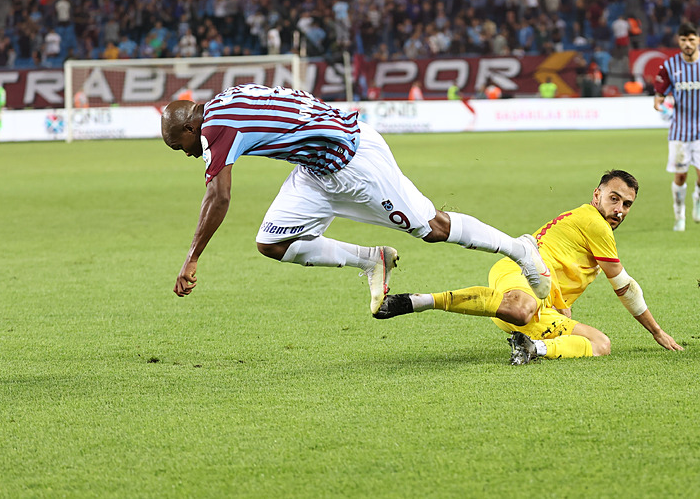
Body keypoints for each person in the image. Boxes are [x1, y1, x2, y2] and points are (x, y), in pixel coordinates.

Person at [162, 84, 550, 315]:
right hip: (315, 169)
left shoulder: (215, 126)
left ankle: (519, 249)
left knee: (431, 228)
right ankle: (372, 260)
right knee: (272, 242)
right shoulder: (227, 99)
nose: (186, 153)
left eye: (181, 145)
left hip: (351, 161)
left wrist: (192, 257)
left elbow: (219, 194)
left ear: (191, 126)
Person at [374, 170, 683, 364]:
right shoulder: (595, 223)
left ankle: (532, 348)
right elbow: (625, 287)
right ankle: (419, 301)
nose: (619, 210)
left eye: (626, 204)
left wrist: (560, 306)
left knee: (600, 344)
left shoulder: (584, 222)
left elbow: (562, 267)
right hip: (521, 277)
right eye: (614, 199)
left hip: (527, 301)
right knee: (521, 307)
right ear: (597, 195)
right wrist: (656, 331)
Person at [653, 22, 700, 231]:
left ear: (697, 40)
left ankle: (697, 202)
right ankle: (679, 215)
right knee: (680, 176)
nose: (688, 44)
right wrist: (660, 104)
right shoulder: (670, 66)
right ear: (678, 41)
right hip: (680, 132)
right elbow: (659, 95)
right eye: (683, 40)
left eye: (691, 39)